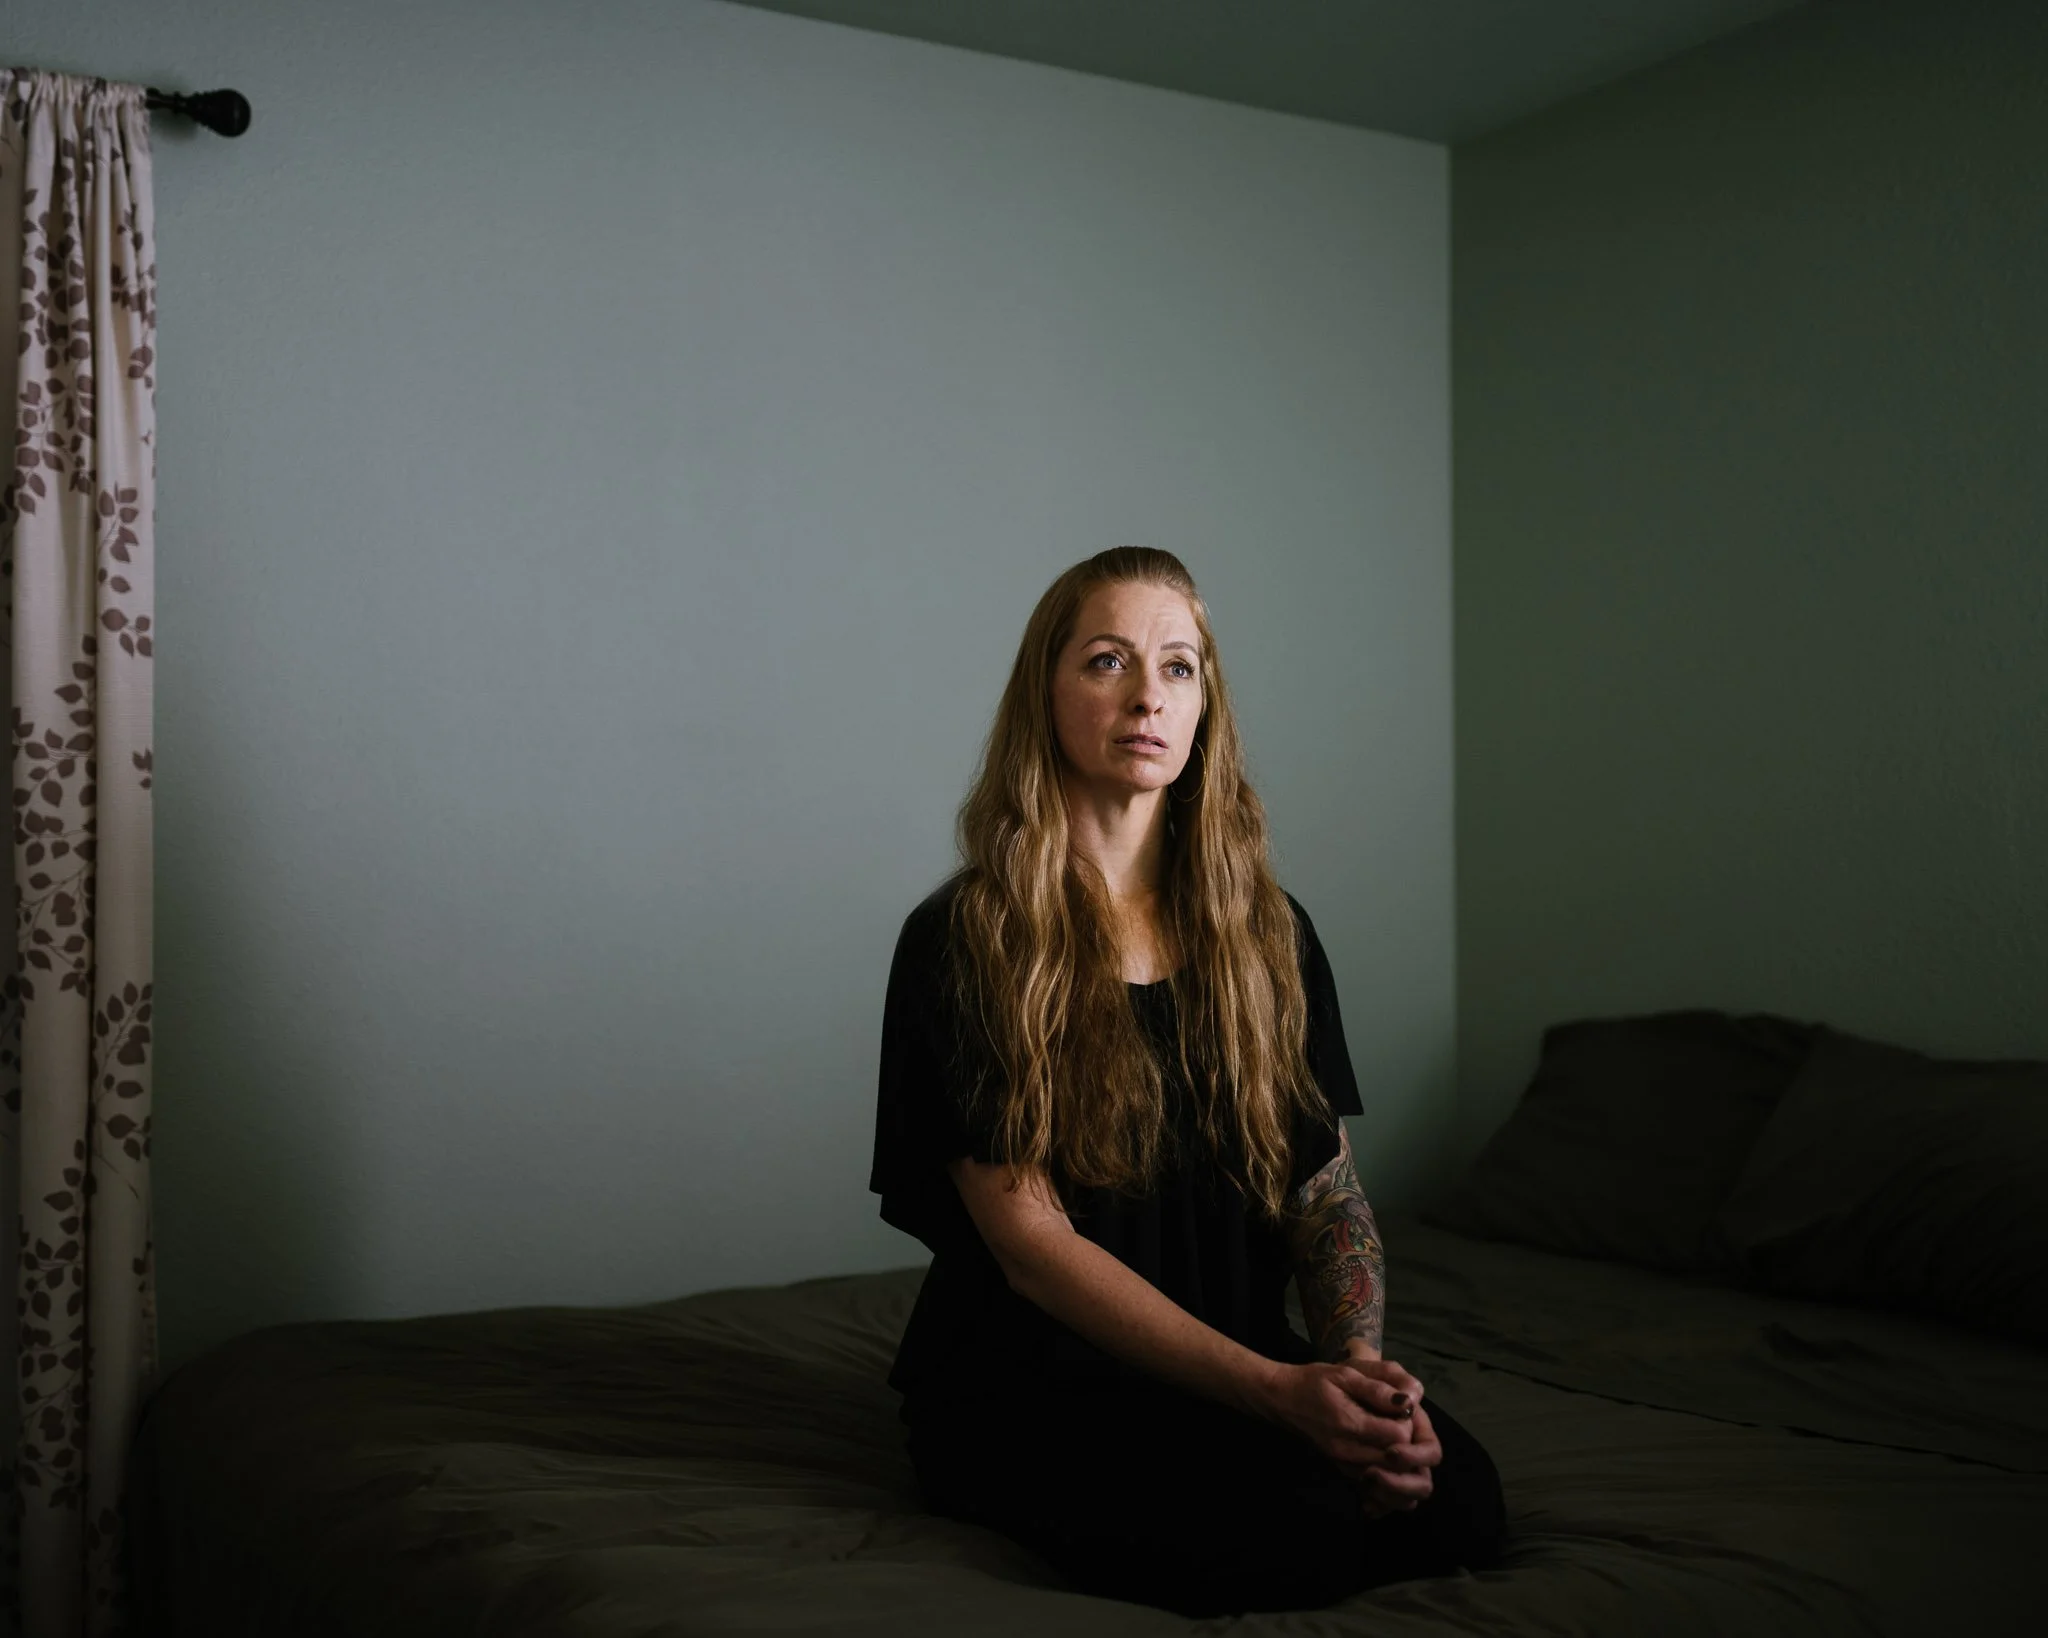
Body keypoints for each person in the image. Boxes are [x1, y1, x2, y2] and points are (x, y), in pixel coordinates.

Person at [868, 547, 1507, 1617]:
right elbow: (1031, 1248)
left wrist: (1351, 1385)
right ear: (1046, 690)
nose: (1145, 696)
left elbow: (1326, 1197)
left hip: (1241, 1366)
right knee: (1286, 1548)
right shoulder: (966, 938)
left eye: (1178, 667)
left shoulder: (1266, 932)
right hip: (1034, 1387)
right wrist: (1273, 1393)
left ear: (1205, 702)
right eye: (1106, 661)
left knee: (1459, 1507)